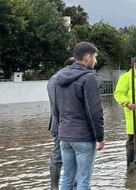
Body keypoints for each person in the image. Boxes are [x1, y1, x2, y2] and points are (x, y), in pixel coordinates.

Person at [53, 42, 105, 190]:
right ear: (88, 57)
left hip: (64, 136)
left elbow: (56, 109)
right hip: (82, 137)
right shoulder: (88, 78)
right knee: (83, 180)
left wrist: (60, 131)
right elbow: (95, 111)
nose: (96, 60)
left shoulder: (59, 77)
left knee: (67, 178)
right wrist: (100, 137)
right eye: (95, 57)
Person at [47, 57, 74, 190]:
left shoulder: (66, 78)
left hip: (70, 125)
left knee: (75, 156)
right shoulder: (56, 79)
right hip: (61, 125)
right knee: (58, 156)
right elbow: (57, 105)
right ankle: (54, 186)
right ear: (69, 67)